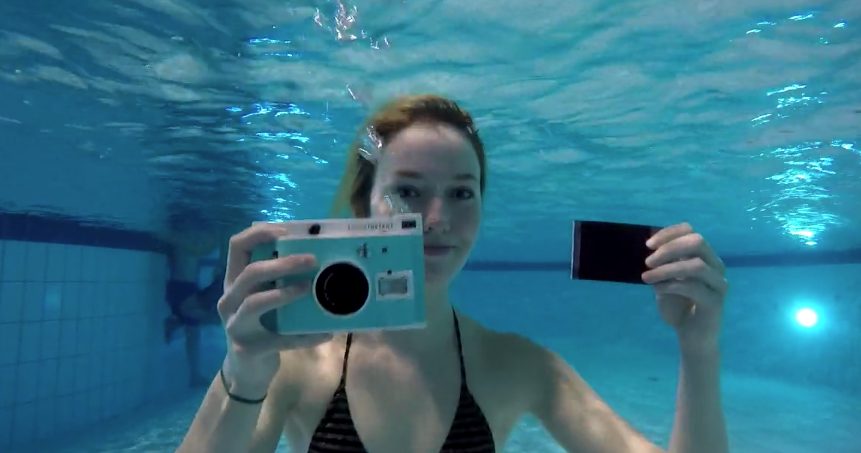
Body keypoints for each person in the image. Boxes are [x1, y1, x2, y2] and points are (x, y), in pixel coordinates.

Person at [176, 94, 730, 453]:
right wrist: (244, 369)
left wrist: (698, 348)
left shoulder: (518, 365)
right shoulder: (296, 361)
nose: (438, 220)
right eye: (408, 191)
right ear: (363, 205)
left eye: (462, 193)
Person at [164, 239, 227, 387]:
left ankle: (176, 321)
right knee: (197, 330)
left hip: (185, 286)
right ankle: (194, 375)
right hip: (182, 287)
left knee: (196, 330)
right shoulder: (182, 240)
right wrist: (219, 239)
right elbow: (201, 249)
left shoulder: (182, 241)